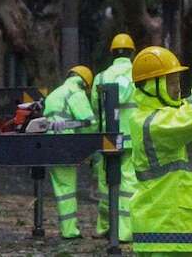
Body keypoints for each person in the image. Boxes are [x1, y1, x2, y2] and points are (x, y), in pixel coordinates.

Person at [126, 44, 192, 253]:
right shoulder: (154, 123)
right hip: (166, 228)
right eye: (171, 82)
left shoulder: (156, 117)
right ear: (152, 86)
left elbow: (190, 107)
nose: (177, 88)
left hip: (165, 228)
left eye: (177, 81)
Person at [92, 32, 139, 241]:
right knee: (129, 183)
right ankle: (125, 231)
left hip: (107, 136)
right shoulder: (138, 74)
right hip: (132, 135)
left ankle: (105, 227)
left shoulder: (101, 77)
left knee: (105, 182)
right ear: (132, 52)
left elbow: (95, 106)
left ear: (112, 53)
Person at [42, 64, 96, 239]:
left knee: (60, 187)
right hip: (65, 143)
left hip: (49, 143)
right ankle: (70, 231)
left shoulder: (54, 93)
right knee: (67, 189)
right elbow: (89, 122)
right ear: (85, 84)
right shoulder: (76, 93)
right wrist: (89, 149)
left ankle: (68, 229)